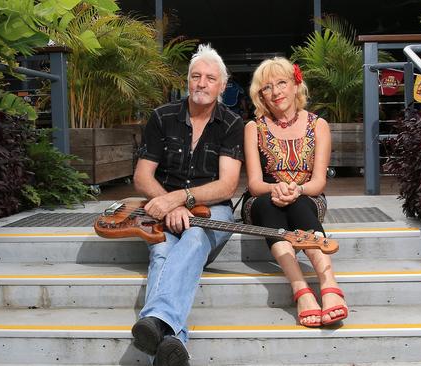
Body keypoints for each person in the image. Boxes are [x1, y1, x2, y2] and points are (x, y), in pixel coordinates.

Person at [132, 44, 244, 366]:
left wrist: (180, 198)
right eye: (196, 76)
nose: (202, 83)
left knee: (195, 236)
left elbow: (227, 185)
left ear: (222, 86)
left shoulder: (231, 123)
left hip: (213, 210)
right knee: (161, 251)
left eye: (210, 78)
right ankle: (171, 341)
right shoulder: (162, 117)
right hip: (162, 207)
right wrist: (168, 205)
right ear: (188, 81)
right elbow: (142, 176)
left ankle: (156, 318)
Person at [242, 57, 348, 328]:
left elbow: (318, 183)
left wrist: (297, 189)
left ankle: (328, 281)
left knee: (300, 205)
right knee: (268, 204)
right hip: (262, 199)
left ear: (295, 85)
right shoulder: (254, 127)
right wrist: (275, 188)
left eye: (281, 83)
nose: (276, 92)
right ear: (260, 94)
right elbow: (254, 183)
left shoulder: (318, 125)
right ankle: (301, 288)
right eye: (267, 87)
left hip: (309, 197)